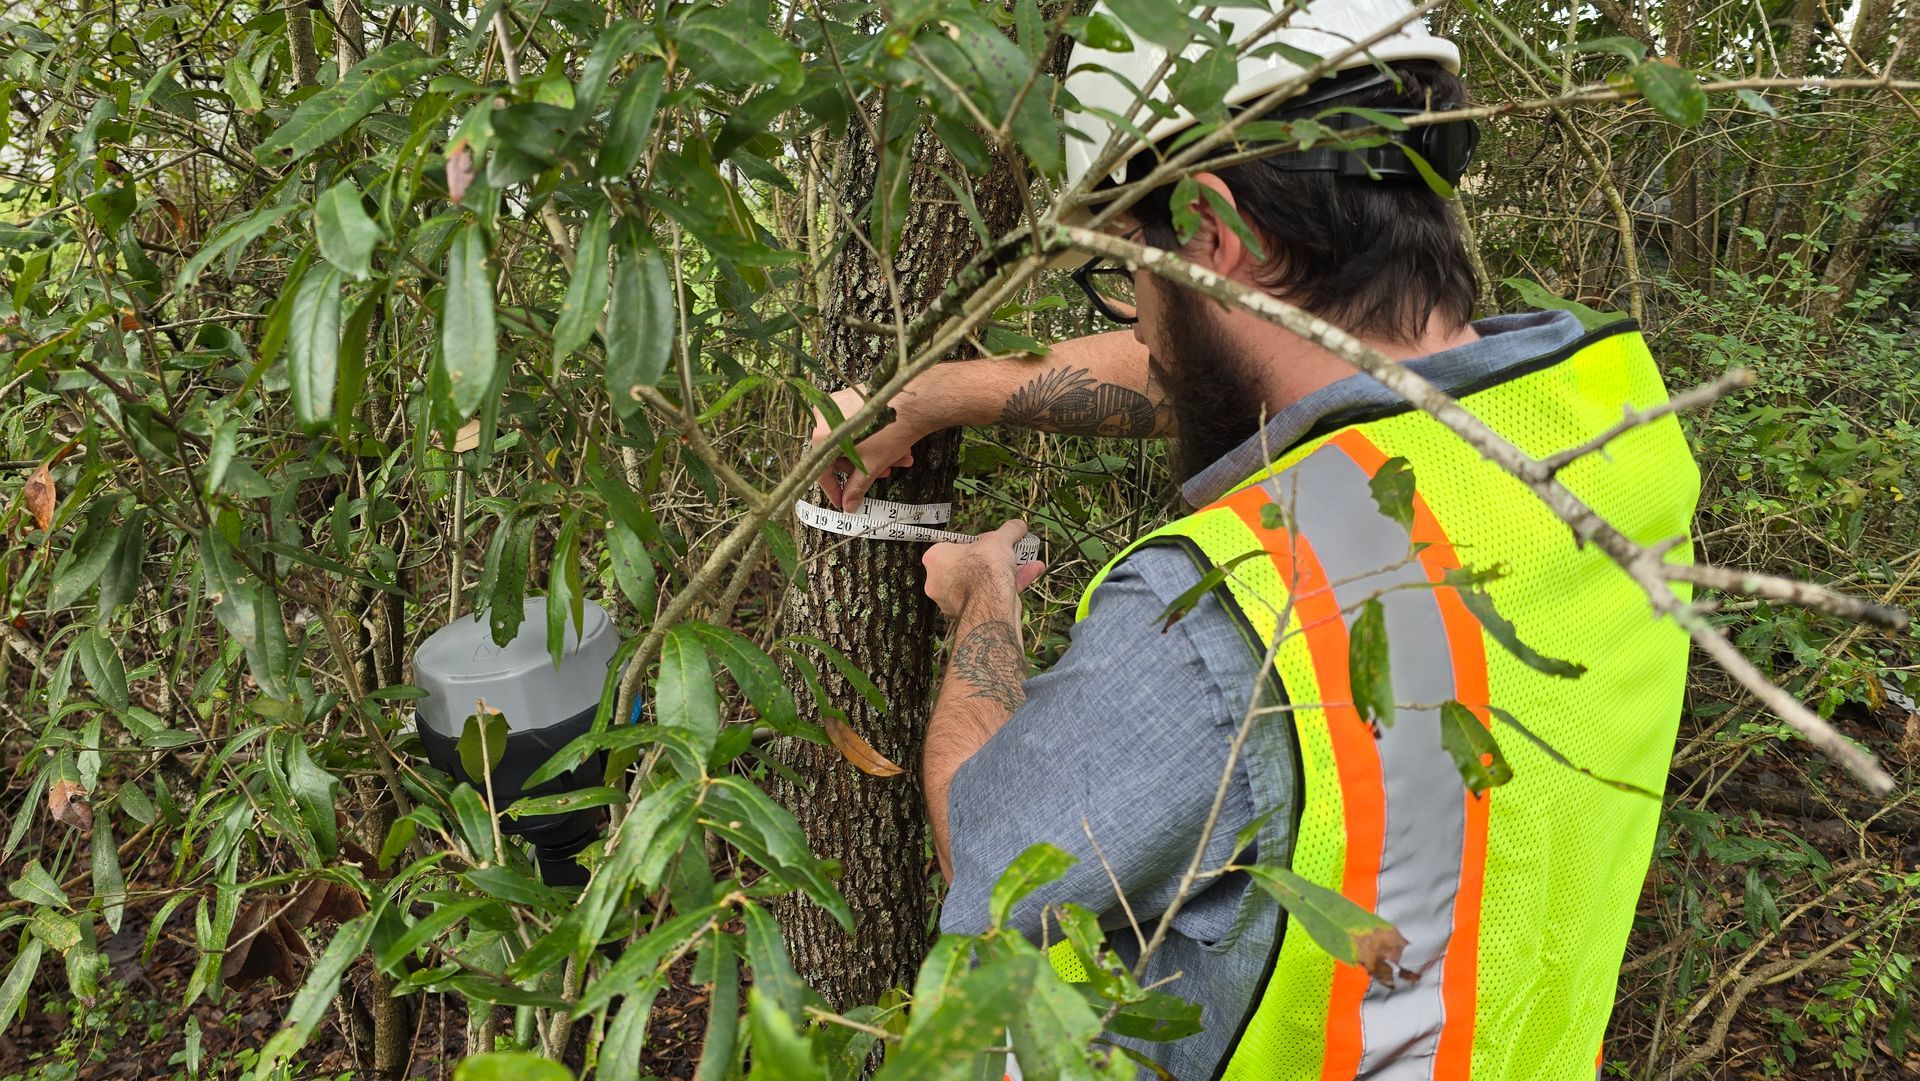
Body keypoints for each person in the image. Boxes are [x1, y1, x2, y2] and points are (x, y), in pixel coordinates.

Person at [810, 3, 1698, 1077]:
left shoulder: (1237, 616)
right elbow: (1262, 364)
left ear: (1212, 232)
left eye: (1130, 272)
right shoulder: (1611, 429)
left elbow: (990, 860)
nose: (1136, 319)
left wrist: (984, 598)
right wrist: (943, 393)